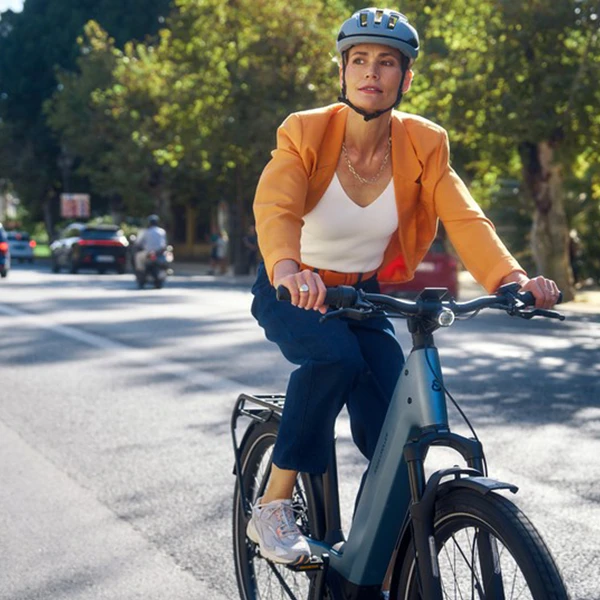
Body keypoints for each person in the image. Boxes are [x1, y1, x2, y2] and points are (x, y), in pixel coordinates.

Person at [247, 7, 561, 566]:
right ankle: (272, 506)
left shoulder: (424, 142)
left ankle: (376, 554)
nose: (372, 71)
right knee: (335, 359)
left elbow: (464, 216)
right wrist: (288, 268)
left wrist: (512, 279)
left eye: (387, 62)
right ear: (342, 72)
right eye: (359, 60)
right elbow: (277, 205)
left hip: (362, 295)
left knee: (398, 422)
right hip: (294, 289)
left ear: (406, 78)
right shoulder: (304, 130)